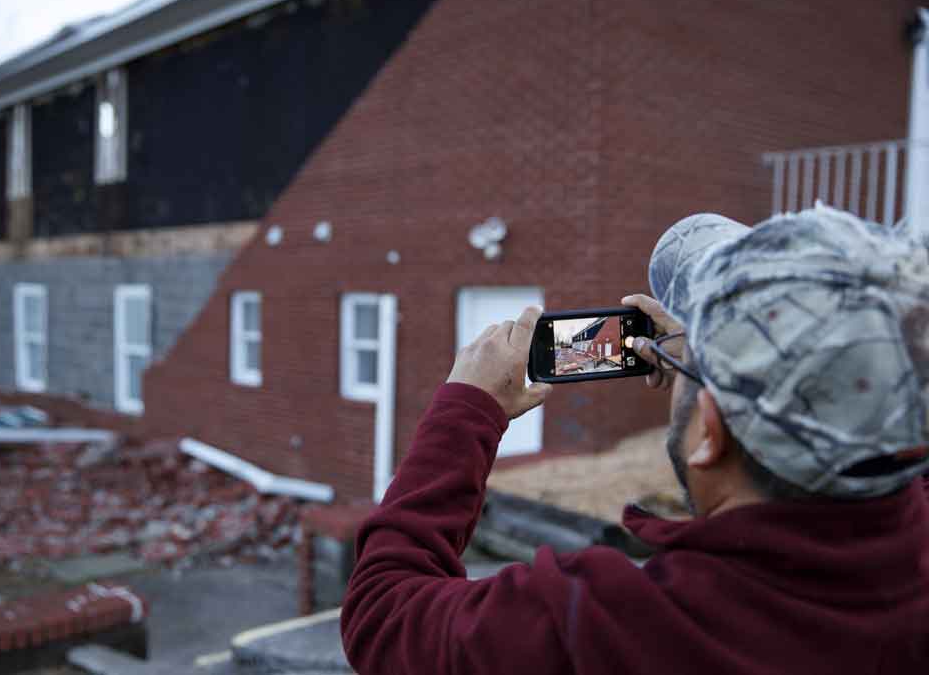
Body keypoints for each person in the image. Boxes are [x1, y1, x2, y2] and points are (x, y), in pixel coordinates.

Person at [340, 204, 929, 674]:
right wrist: (706, 364)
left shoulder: (611, 626)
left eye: (692, 362)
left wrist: (465, 412)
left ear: (709, 436)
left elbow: (384, 613)